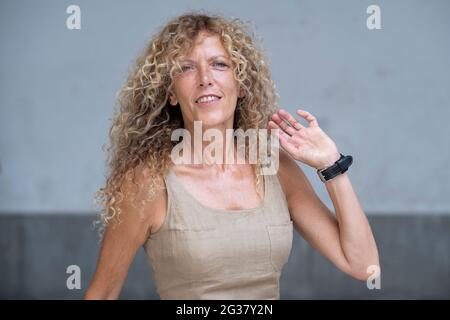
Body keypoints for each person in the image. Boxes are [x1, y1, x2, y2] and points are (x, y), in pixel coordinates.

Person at [85, 12, 380, 300]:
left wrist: (332, 165)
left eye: (219, 64)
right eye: (186, 68)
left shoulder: (275, 167)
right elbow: (102, 293)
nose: (205, 78)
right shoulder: (147, 182)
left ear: (240, 85)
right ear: (171, 93)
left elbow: (363, 266)